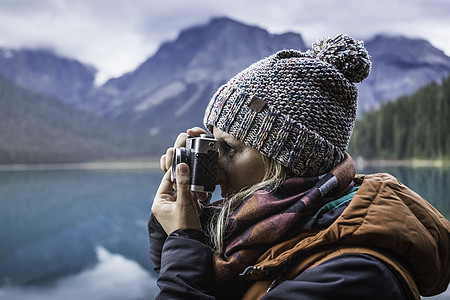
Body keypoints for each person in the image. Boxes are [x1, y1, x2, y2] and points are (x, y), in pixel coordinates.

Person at [149, 34, 450, 299]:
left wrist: (185, 240)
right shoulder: (274, 229)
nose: (214, 168)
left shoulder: (352, 277)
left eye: (229, 148)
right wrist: (183, 226)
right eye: (212, 147)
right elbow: (197, 285)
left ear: (288, 160)